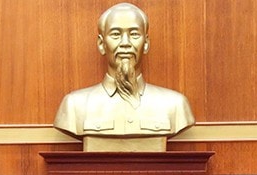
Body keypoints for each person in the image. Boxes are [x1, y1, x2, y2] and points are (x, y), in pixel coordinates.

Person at [53, 2, 195, 138]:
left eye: (134, 34)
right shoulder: (74, 106)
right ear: (101, 44)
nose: (125, 43)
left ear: (146, 43)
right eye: (116, 34)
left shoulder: (175, 105)